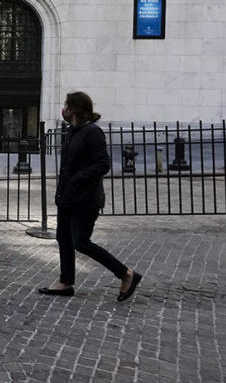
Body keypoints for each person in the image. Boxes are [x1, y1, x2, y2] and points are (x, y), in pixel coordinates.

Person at [38, 91, 142, 301]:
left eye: (66, 105)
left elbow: (103, 164)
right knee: (63, 238)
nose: (63, 109)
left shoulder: (93, 132)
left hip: (85, 199)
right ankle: (65, 282)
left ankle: (126, 274)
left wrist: (77, 180)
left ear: (74, 109)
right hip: (67, 197)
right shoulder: (73, 131)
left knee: (81, 242)